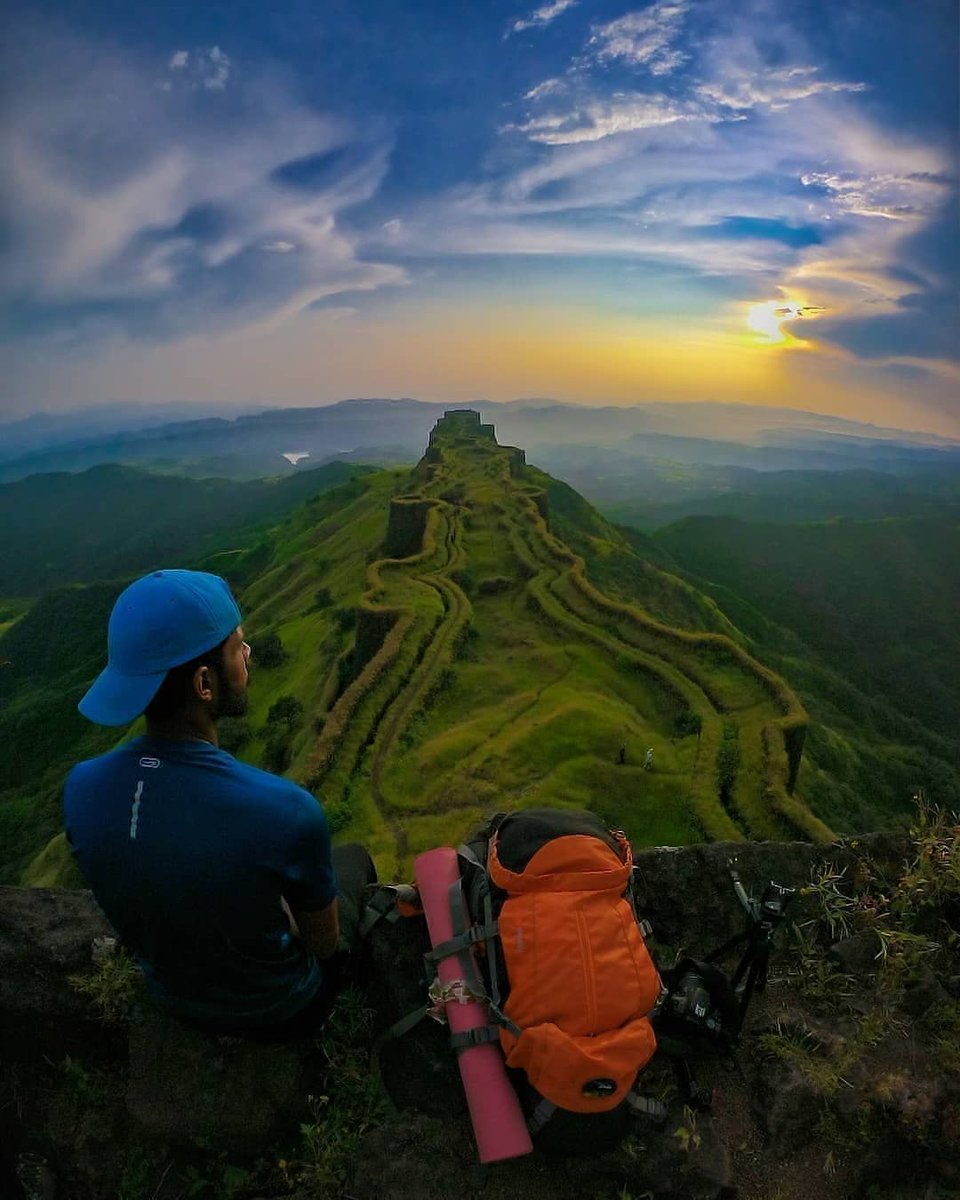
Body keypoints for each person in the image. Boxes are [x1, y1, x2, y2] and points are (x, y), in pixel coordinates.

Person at [64, 568, 374, 1041]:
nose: (248, 654)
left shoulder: (81, 787)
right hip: (277, 1009)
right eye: (238, 646)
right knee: (353, 861)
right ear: (204, 683)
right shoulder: (285, 810)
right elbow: (323, 944)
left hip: (169, 996)